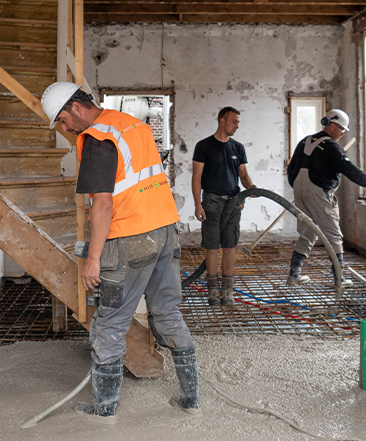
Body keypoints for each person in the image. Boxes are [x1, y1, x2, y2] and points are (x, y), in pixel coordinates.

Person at [41, 82, 198, 423]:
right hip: (165, 232)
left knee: (109, 323)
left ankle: (105, 409)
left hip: (129, 238)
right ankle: (191, 398)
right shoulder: (132, 125)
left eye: (64, 122)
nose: (66, 130)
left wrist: (93, 259)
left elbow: (103, 206)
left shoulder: (98, 138)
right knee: (167, 312)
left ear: (76, 108)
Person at [286, 108, 366, 287]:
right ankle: (339, 279)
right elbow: (350, 170)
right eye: (342, 128)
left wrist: (298, 187)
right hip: (319, 193)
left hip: (299, 191)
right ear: (332, 126)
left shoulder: (305, 141)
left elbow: (291, 169)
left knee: (308, 232)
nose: (343, 133)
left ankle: (294, 274)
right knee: (334, 235)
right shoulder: (333, 147)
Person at [192, 107, 256, 306]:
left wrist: (251, 187)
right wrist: (197, 205)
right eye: (234, 121)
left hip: (233, 203)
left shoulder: (237, 148)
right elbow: (196, 178)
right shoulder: (204, 146)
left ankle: (227, 291)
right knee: (212, 247)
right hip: (211, 202)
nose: (237, 126)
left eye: (238, 122)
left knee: (230, 247)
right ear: (222, 120)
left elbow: (243, 175)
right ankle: (213, 291)